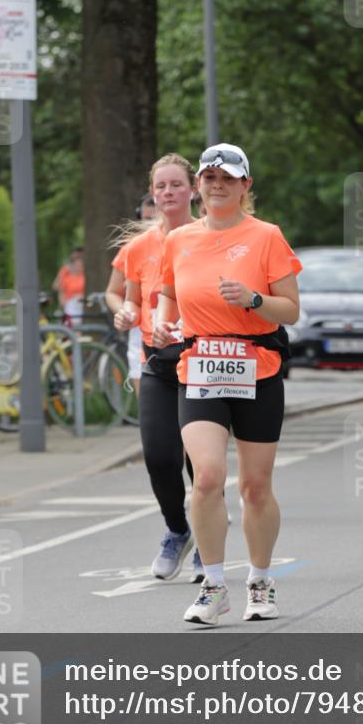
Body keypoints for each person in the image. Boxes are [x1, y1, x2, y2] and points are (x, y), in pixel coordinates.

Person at [154, 143, 302, 626]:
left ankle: (259, 580)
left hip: (256, 365)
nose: (217, 185)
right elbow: (168, 297)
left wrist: (255, 298)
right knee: (209, 476)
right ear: (198, 185)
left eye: (228, 178)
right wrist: (162, 323)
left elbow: (291, 309)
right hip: (199, 365)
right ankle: (214, 586)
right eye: (209, 177)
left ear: (245, 186)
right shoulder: (178, 240)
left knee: (256, 487)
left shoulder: (266, 237)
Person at [112, 155, 202, 582]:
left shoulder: (210, 238)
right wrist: (127, 312)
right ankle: (177, 529)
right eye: (160, 186)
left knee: (203, 462)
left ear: (193, 190)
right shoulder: (139, 247)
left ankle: (209, 538)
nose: (167, 193)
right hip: (156, 360)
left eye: (176, 185)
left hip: (203, 360)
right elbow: (129, 296)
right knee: (159, 456)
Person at [105, 195, 156, 398]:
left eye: (155, 219)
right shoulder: (133, 247)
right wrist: (125, 312)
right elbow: (112, 292)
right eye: (146, 220)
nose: (151, 224)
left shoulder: (188, 239)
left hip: (185, 334)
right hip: (142, 334)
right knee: (148, 406)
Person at [53, 246, 85, 324]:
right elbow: (57, 286)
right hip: (70, 304)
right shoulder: (65, 270)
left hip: (82, 303)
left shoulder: (84, 272)